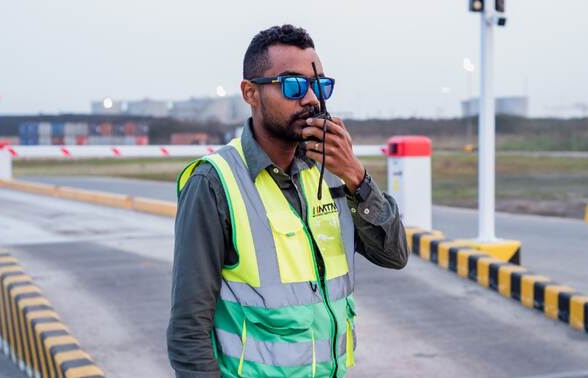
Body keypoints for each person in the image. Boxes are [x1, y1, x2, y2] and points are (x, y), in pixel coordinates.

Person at [168, 24, 408, 378]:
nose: (311, 98)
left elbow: (394, 254)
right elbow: (188, 330)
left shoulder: (333, 172)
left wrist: (357, 176)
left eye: (319, 85)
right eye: (293, 85)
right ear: (251, 93)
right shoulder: (214, 183)